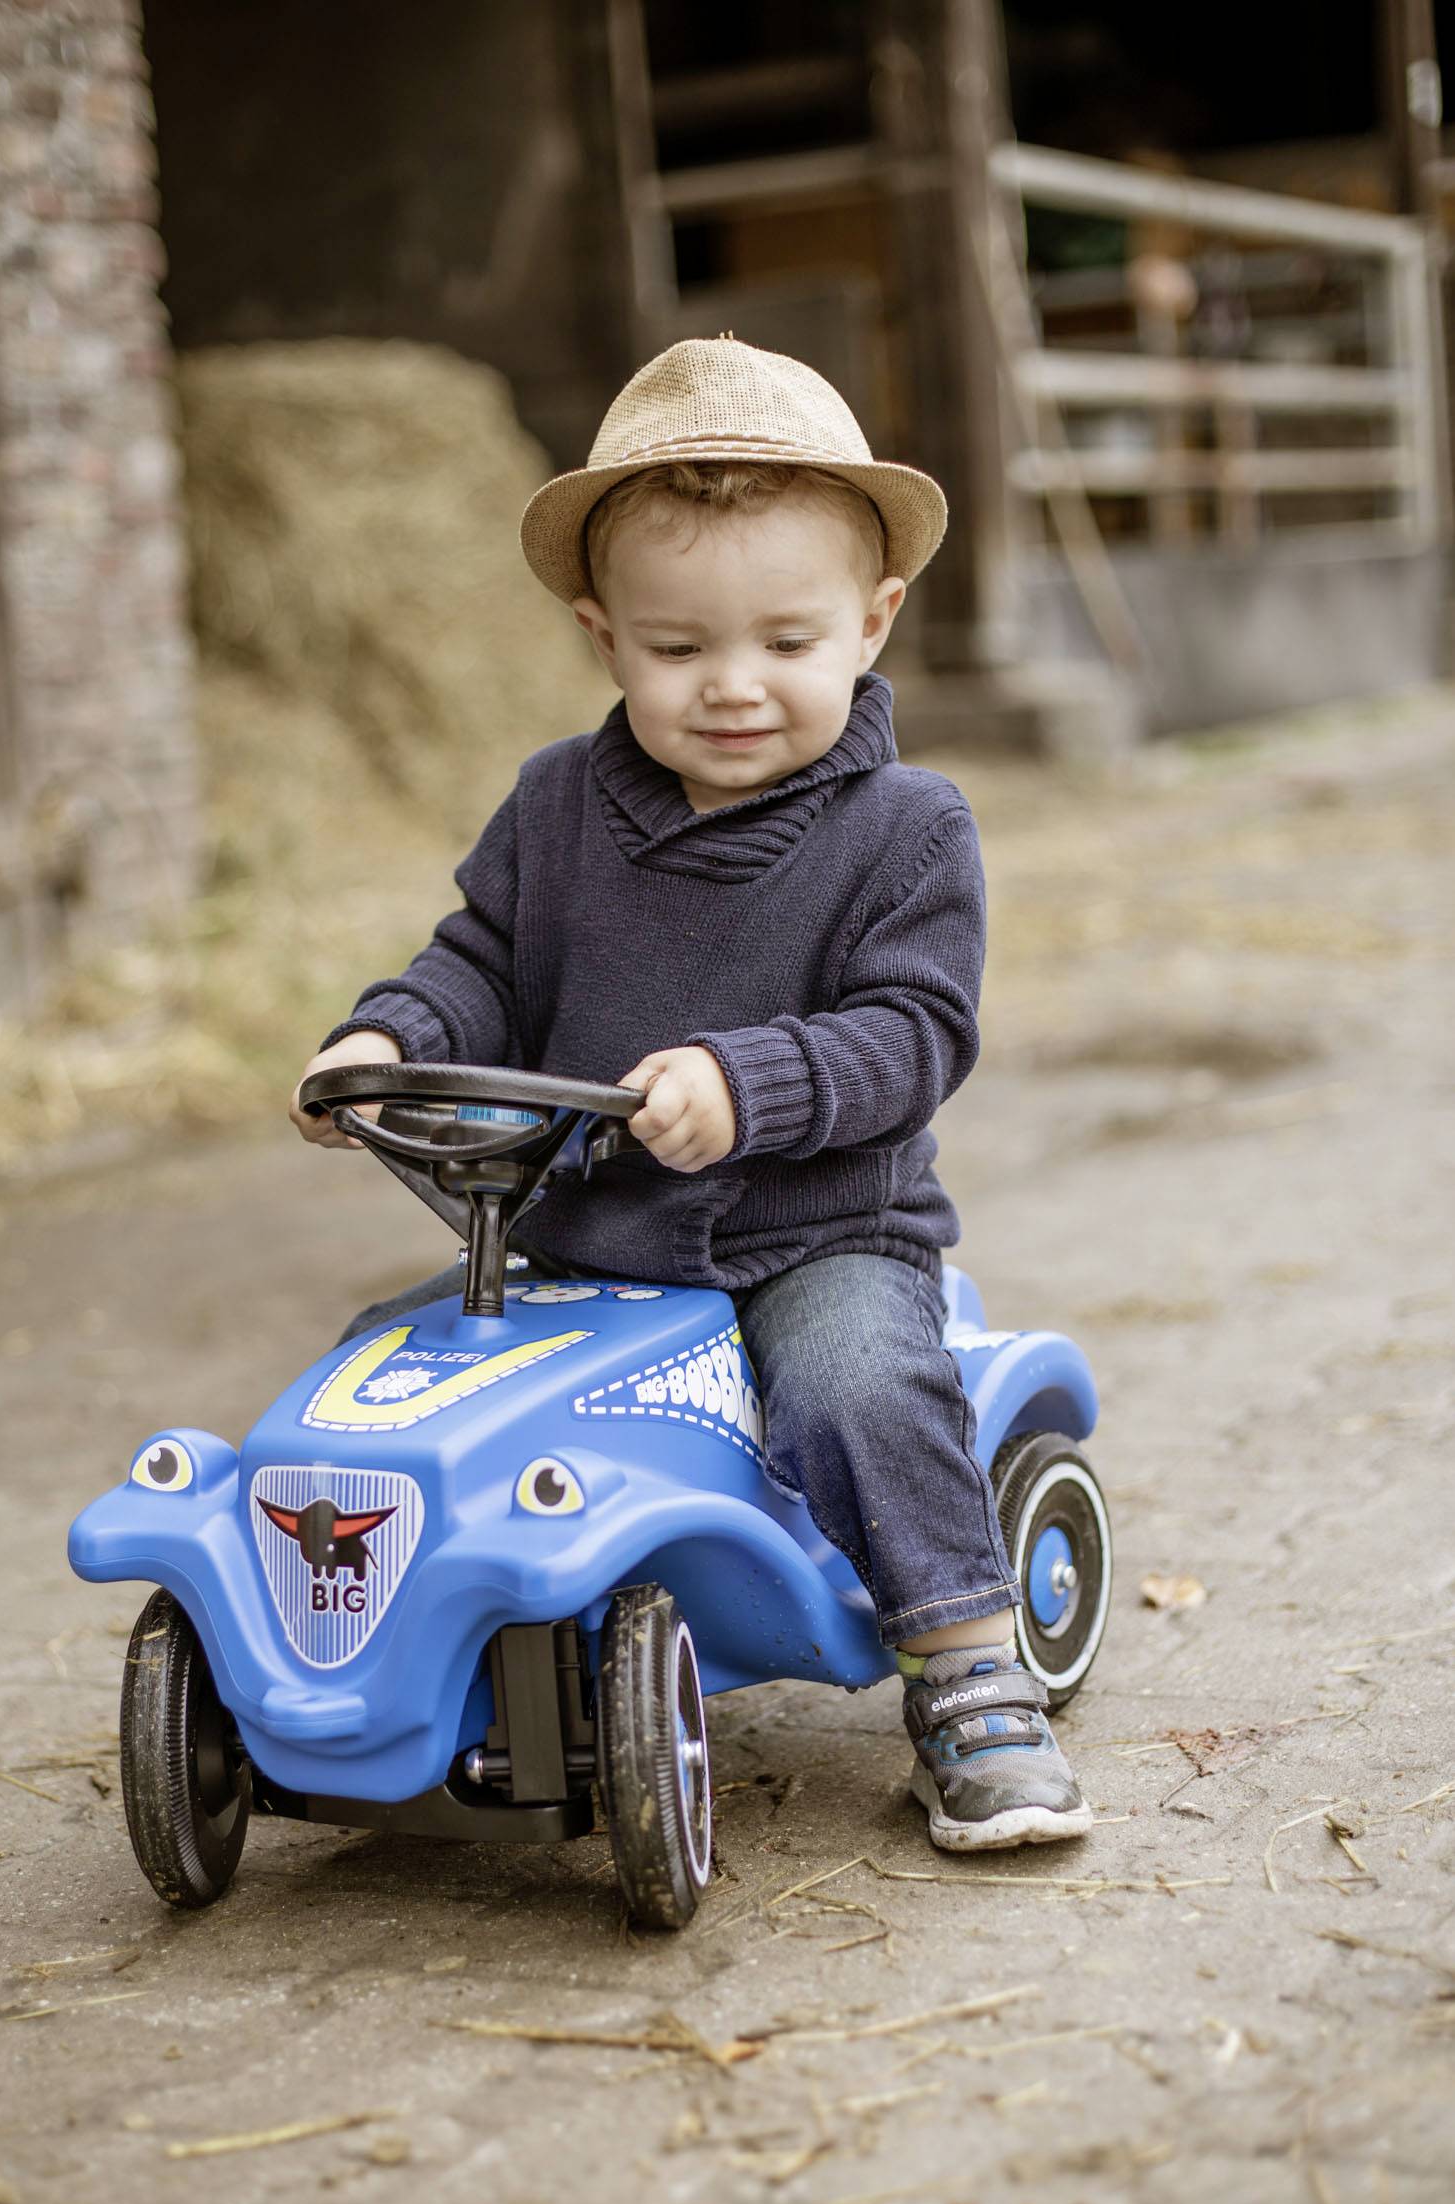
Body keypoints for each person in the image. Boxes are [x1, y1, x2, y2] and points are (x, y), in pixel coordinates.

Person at [290, 337, 1090, 1852]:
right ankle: (375, 1662)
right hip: (585, 1236)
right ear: (603, 636)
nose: (733, 688)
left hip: (814, 1229)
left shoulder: (909, 831)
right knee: (378, 1373)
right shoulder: (554, 808)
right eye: (677, 650)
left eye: (787, 643)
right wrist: (385, 1043)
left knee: (858, 1381)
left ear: (874, 622)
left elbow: (917, 1033)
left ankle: (971, 1667)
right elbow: (477, 963)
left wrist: (751, 1080)